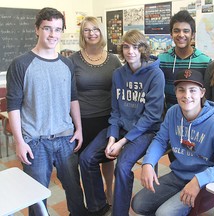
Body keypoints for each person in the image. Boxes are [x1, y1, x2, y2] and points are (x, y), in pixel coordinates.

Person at [6, 7, 87, 216]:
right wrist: (19, 141)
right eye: (47, 28)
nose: (53, 34)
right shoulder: (20, 64)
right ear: (37, 29)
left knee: (75, 191)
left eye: (58, 29)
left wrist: (78, 129)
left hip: (65, 139)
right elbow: (13, 106)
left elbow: (73, 99)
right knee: (37, 198)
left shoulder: (67, 64)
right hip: (35, 142)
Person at [131, 69, 214, 216]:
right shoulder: (173, 113)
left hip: (206, 183)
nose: (187, 96)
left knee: (164, 213)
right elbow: (160, 140)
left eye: (193, 90)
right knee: (139, 204)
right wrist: (148, 163)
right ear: (175, 92)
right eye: (181, 90)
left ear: (202, 93)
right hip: (179, 175)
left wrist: (199, 180)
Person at [79, 29, 165, 216]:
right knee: (86, 158)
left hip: (146, 131)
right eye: (126, 47)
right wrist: (112, 137)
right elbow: (115, 111)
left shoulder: (155, 75)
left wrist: (122, 142)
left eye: (135, 47)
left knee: (123, 166)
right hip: (122, 128)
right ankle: (98, 207)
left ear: (143, 49)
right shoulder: (118, 74)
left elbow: (151, 117)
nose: (130, 51)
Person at [69, 16, 122, 205]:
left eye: (96, 29)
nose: (92, 33)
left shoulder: (114, 60)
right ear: (82, 34)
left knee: (107, 158)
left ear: (101, 33)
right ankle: (95, 198)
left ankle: (110, 190)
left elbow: (119, 89)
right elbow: (69, 92)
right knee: (85, 160)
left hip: (108, 118)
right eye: (87, 30)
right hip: (82, 120)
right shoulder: (72, 60)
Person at [159, 10, 211, 110]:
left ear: (193, 35)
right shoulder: (161, 60)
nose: (181, 35)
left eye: (186, 31)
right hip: (169, 118)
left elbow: (208, 96)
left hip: (196, 120)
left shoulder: (205, 62)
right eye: (176, 31)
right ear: (171, 34)